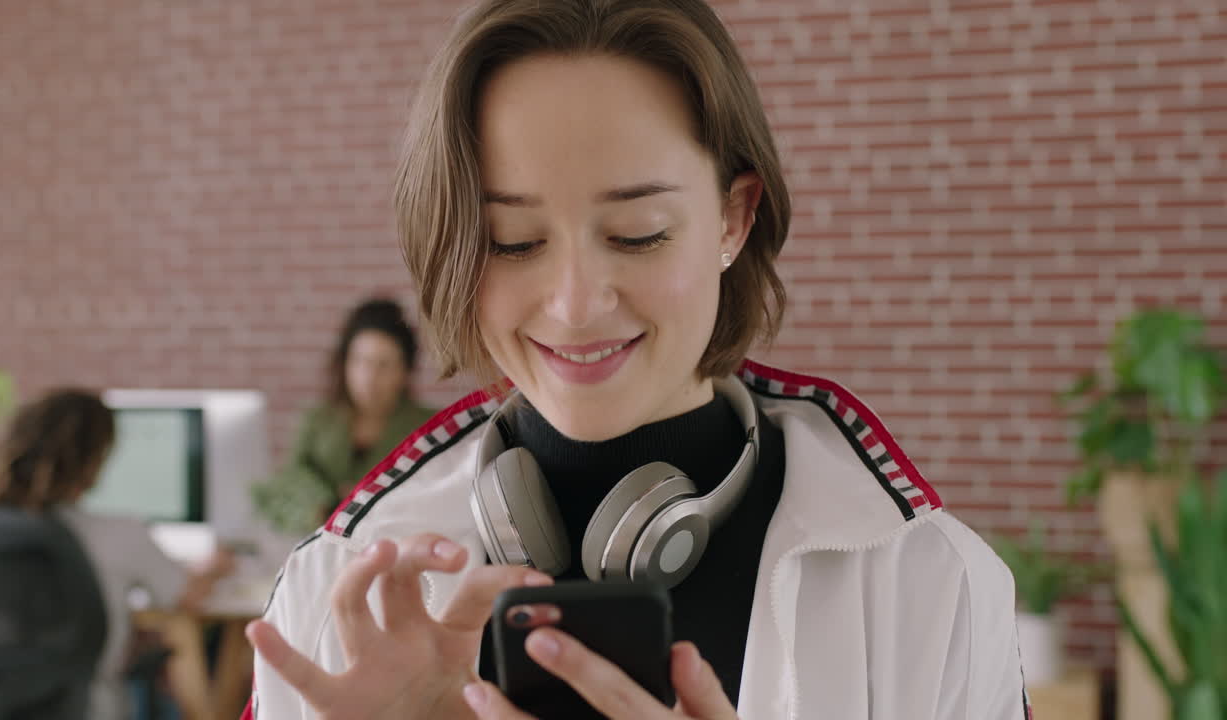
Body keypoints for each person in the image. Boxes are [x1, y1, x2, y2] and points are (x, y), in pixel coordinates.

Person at [245, 1, 1030, 718]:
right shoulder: (335, 597)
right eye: (510, 243)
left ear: (734, 218)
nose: (576, 303)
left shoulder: (929, 586)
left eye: (638, 233)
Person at [0, 389, 235, 720]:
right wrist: (214, 569)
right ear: (95, 460)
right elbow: (186, 596)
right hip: (86, 708)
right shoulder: (118, 534)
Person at [253, 298, 438, 535]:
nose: (368, 377)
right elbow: (291, 477)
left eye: (383, 365)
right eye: (360, 361)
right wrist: (321, 504)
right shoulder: (318, 420)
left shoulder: (429, 426)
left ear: (404, 371)